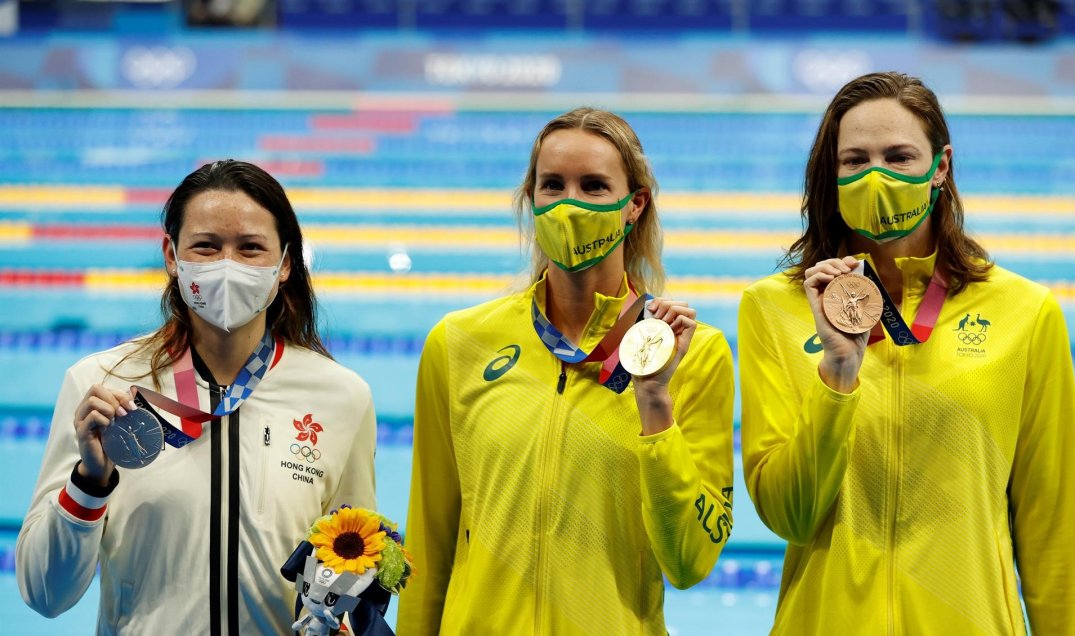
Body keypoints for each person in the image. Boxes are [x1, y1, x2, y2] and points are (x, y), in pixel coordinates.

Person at [738, 71, 1075, 634]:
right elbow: (788, 514)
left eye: (899, 156)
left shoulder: (1025, 312)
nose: (876, 175)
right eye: (855, 160)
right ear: (833, 172)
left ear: (939, 167)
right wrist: (837, 372)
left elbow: (1053, 524)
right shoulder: (772, 308)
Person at [396, 108, 735, 634]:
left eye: (594, 187)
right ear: (532, 199)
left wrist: (655, 403)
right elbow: (429, 540)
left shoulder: (696, 354)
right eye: (552, 185)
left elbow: (690, 561)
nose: (569, 203)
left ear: (634, 205)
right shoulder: (459, 343)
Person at [16, 160, 378, 634]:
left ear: (285, 263)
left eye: (251, 248)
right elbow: (45, 594)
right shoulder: (102, 386)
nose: (227, 266)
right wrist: (89, 480)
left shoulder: (340, 397)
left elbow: (357, 563)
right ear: (171, 255)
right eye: (206, 247)